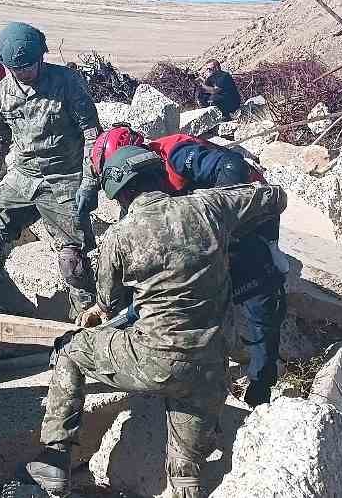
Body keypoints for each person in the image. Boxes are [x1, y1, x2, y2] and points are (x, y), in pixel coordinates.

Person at [25, 145, 287, 497]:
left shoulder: (119, 237)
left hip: (153, 360)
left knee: (71, 350)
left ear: (119, 193)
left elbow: (108, 303)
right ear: (160, 176)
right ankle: (185, 478)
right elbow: (275, 196)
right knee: (186, 473)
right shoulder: (207, 206)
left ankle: (56, 455)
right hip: (208, 369)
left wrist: (95, 314)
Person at [91, 124, 286, 406]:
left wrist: (213, 222)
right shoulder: (137, 185)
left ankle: (262, 381)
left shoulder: (176, 154)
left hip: (245, 214)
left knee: (257, 290)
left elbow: (232, 167)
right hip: (205, 222)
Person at [0, 22, 102, 315]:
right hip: (23, 177)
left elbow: (92, 134)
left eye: (29, 66)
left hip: (63, 179)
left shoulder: (66, 81)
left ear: (41, 57)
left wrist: (88, 183)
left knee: (74, 263)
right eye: (17, 69)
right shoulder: (3, 91)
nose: (25, 73)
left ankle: (88, 320)